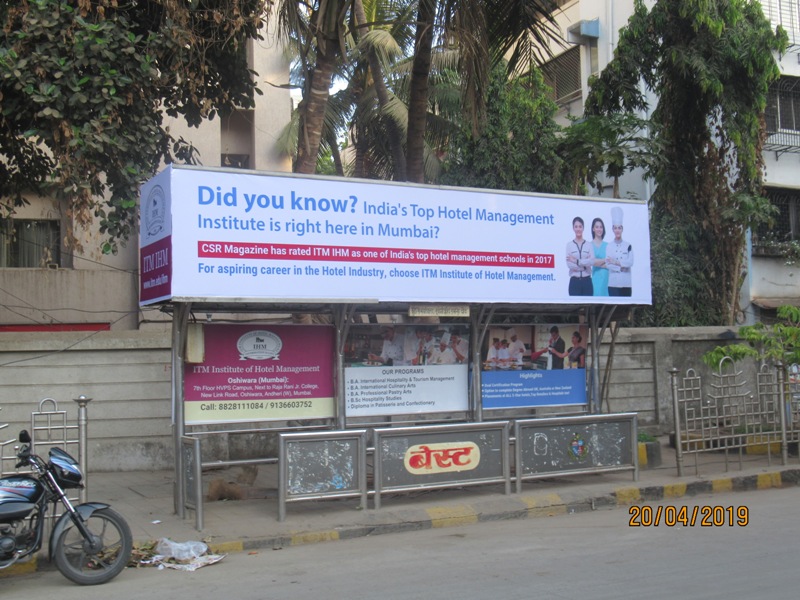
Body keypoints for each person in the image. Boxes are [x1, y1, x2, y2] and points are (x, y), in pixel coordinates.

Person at [606, 207, 634, 297]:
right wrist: (621, 267)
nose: (617, 230)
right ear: (612, 229)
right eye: (615, 228)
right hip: (613, 284)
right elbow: (608, 264)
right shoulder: (609, 246)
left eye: (619, 228)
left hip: (626, 283)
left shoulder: (628, 245)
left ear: (622, 229)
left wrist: (616, 262)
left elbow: (630, 262)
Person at [566, 216, 595, 296]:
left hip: (587, 281)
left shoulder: (589, 245)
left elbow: (592, 261)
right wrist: (585, 265)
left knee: (588, 307)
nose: (578, 229)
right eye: (576, 227)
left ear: (583, 228)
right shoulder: (569, 245)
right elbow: (570, 265)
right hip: (574, 282)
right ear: (573, 228)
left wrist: (576, 261)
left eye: (580, 226)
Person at [591, 217, 609, 296]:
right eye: (597, 227)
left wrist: (597, 262)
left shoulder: (608, 246)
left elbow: (610, 264)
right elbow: (592, 262)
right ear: (593, 229)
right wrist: (605, 260)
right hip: (595, 279)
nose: (599, 229)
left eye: (601, 227)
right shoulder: (589, 245)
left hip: (606, 279)